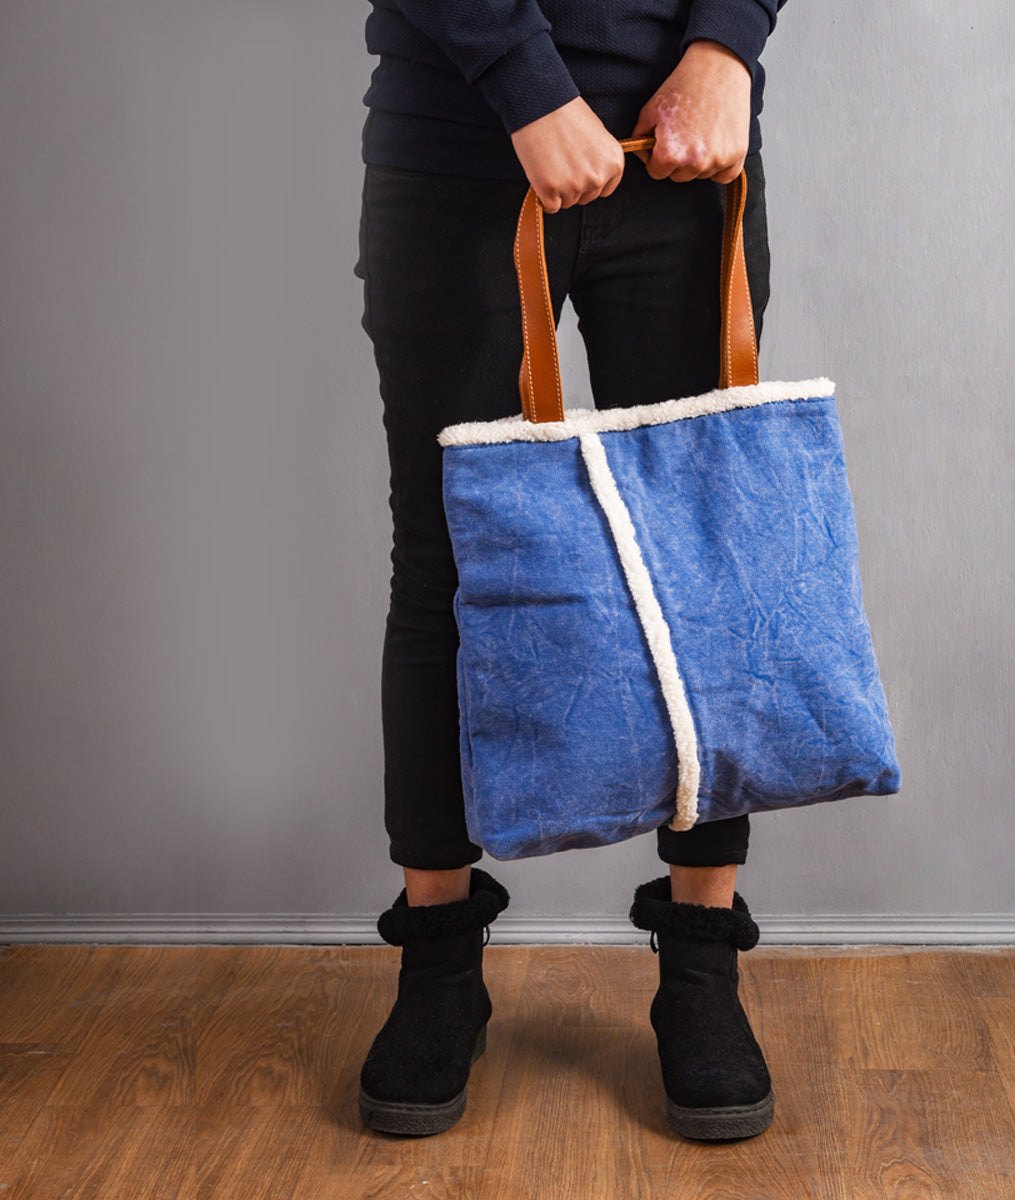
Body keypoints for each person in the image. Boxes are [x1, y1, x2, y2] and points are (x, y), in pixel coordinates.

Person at [352, 0, 788, 1141]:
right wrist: (525, 84)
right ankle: (438, 966)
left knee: (706, 563)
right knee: (448, 560)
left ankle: (701, 966)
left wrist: (724, 44)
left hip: (687, 132)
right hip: (457, 144)